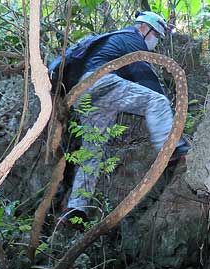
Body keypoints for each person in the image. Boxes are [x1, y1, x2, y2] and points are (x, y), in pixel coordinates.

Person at [62, 11, 189, 222]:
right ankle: (172, 149)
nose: (156, 41)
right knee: (156, 102)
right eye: (156, 35)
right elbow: (143, 73)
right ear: (143, 28)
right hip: (101, 82)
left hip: (84, 94)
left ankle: (76, 208)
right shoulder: (131, 38)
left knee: (92, 151)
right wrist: (164, 101)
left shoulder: (113, 41)